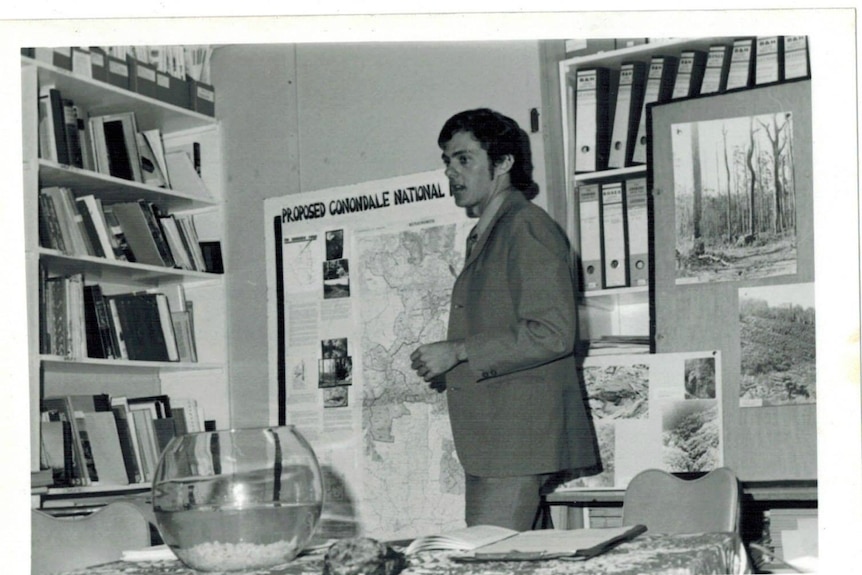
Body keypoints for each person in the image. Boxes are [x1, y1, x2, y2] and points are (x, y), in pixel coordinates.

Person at [410, 108, 599, 530]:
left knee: (487, 563)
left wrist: (458, 351)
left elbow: (553, 333)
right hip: (501, 442)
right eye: (447, 161)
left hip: (515, 444)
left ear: (504, 163)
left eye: (464, 159)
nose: (451, 173)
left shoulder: (525, 227)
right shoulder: (496, 230)